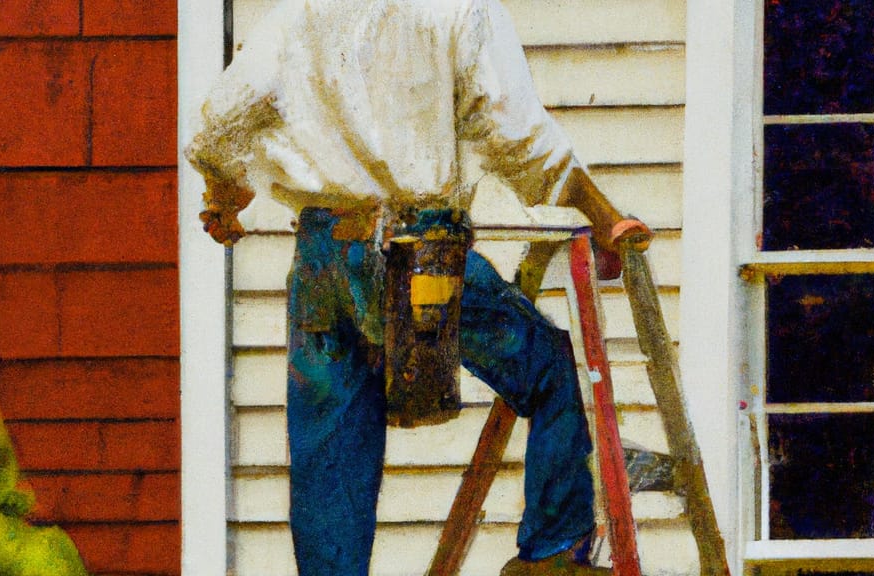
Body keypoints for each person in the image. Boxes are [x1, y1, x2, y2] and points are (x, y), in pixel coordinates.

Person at [186, 0, 651, 574]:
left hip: (322, 253)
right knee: (549, 365)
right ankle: (553, 553)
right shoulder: (461, 10)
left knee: (330, 463)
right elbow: (519, 137)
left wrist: (223, 192)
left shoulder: (299, 12)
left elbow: (218, 123)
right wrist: (601, 213)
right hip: (418, 248)